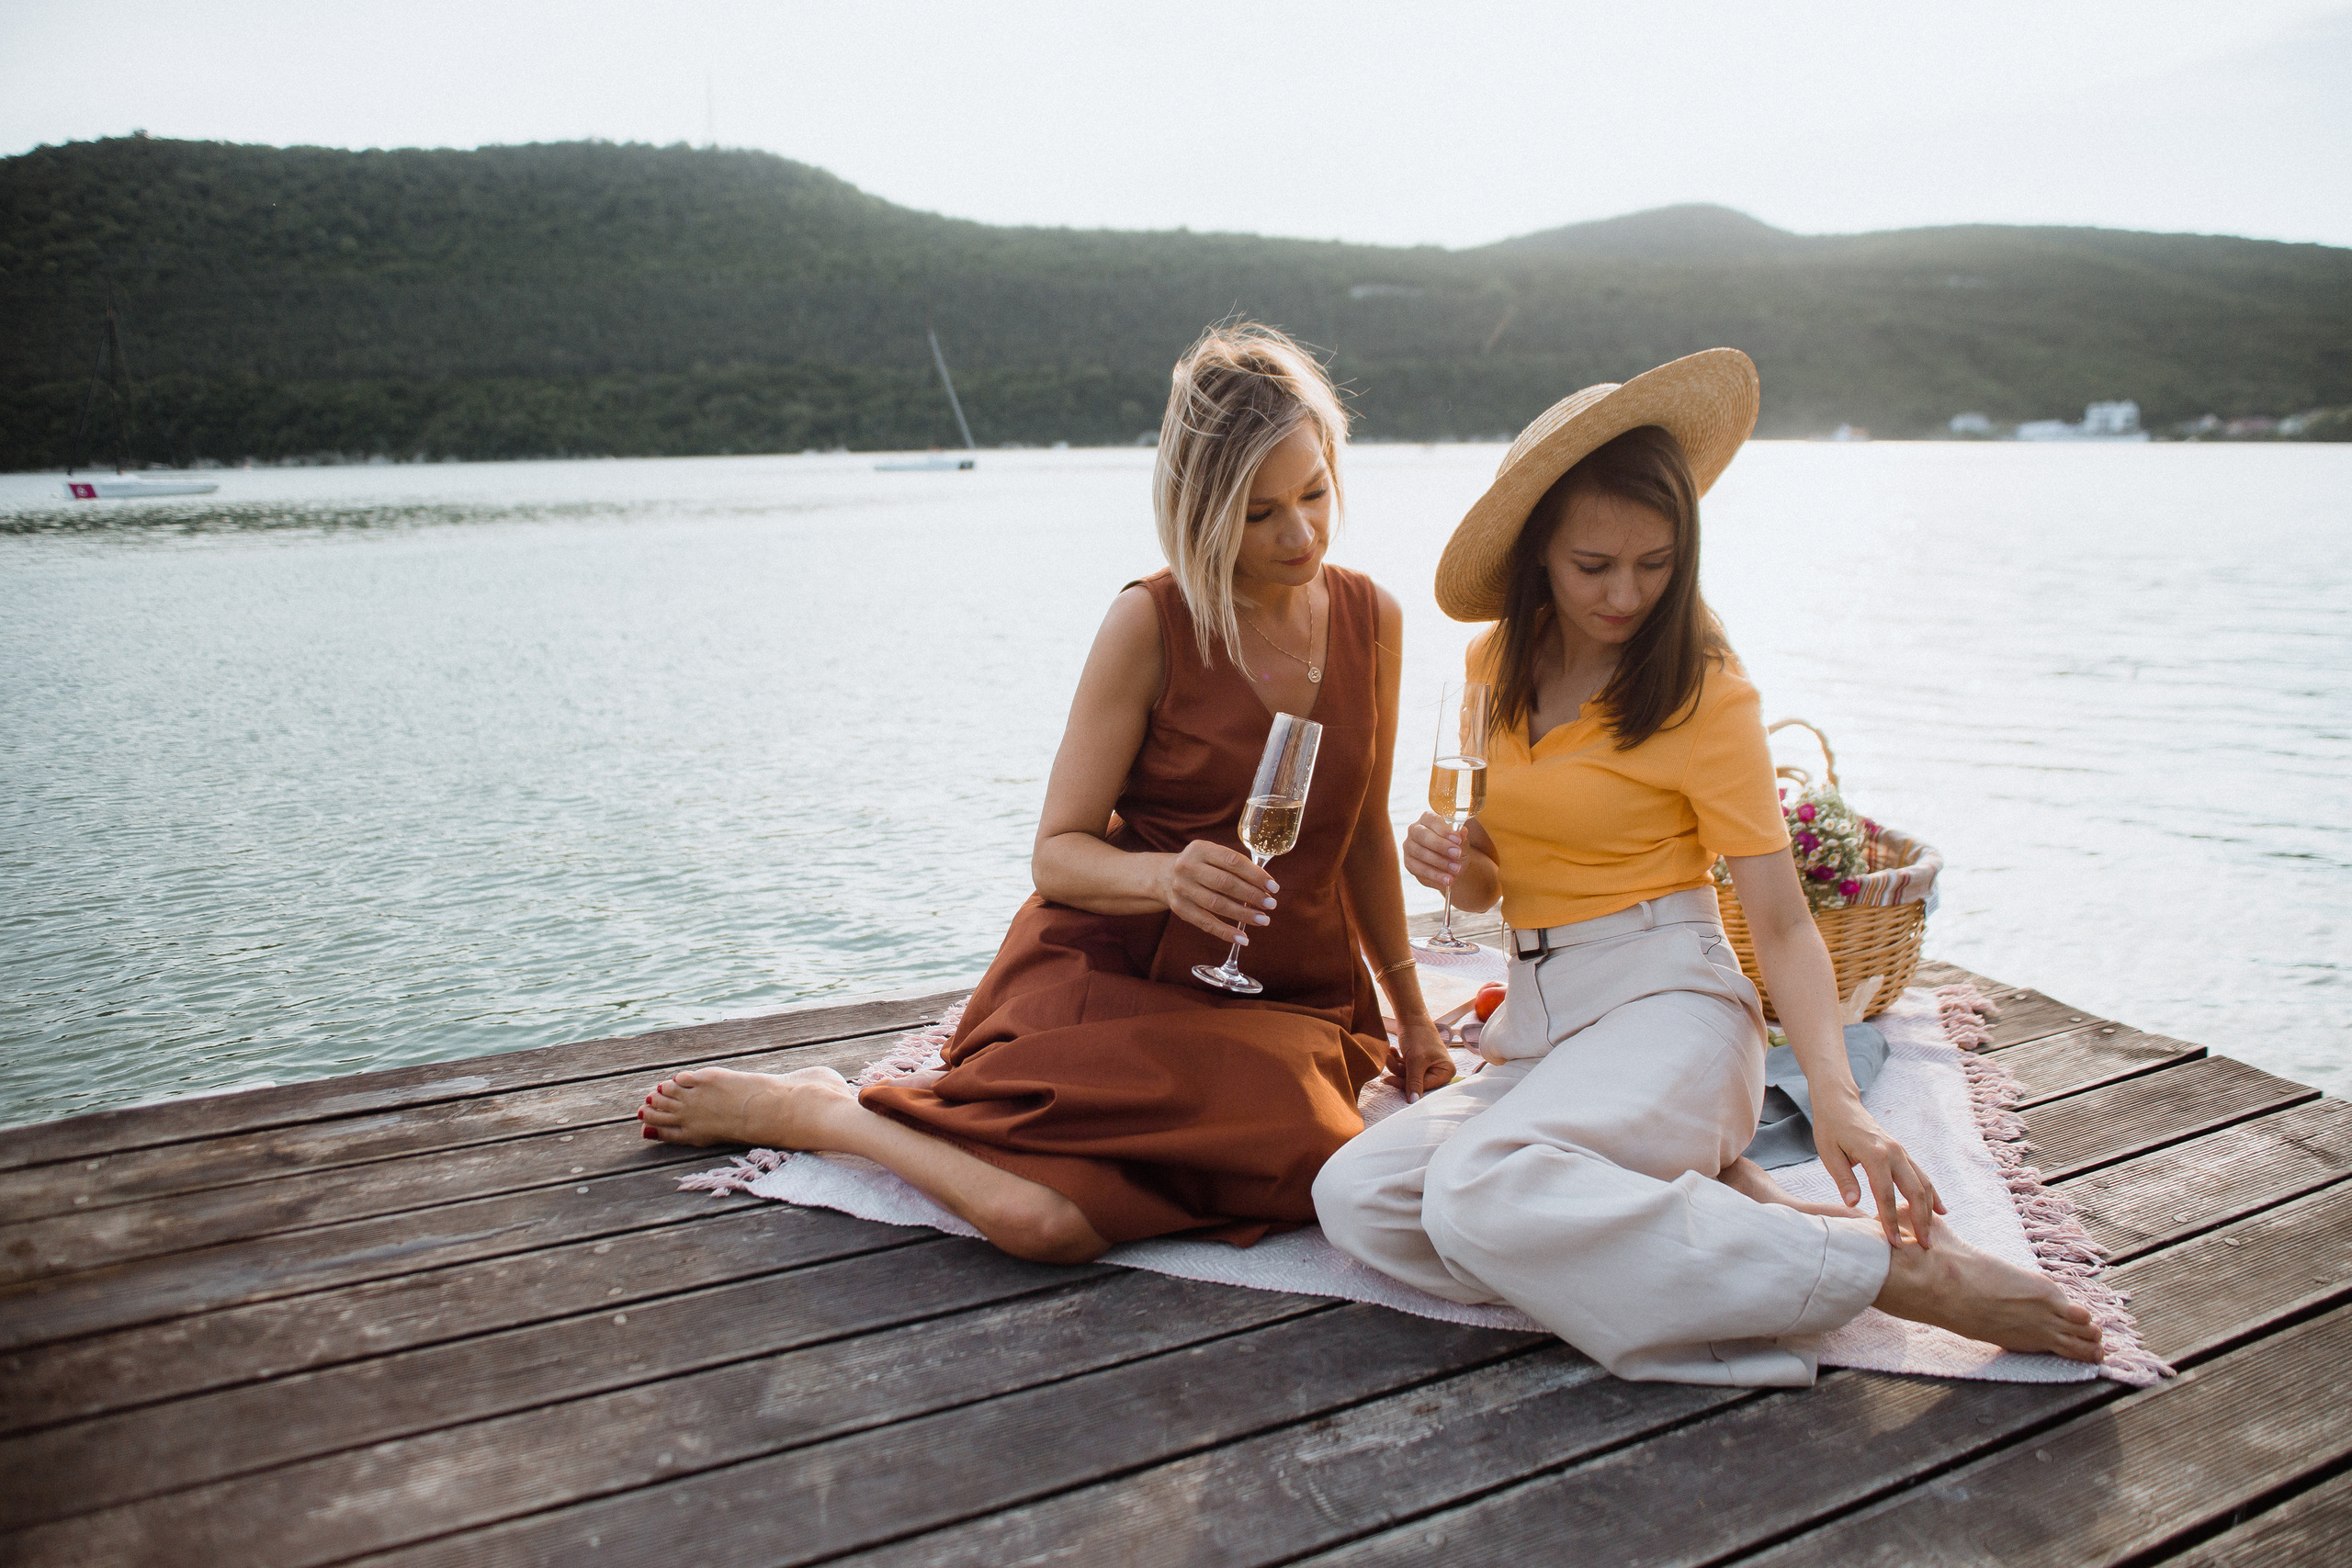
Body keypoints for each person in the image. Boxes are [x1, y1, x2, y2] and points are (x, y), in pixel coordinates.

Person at [1313, 349, 2104, 1384]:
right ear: (1537, 552)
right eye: (1593, 566)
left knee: (1479, 1194)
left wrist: (1836, 1096)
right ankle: (1733, 1212)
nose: (1625, 594)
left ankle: (1886, 1276)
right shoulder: (1489, 665)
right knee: (1360, 1200)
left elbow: (1778, 922)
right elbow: (1489, 885)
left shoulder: (1705, 691)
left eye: (1654, 562)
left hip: (1669, 999)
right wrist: (1450, 862)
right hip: (1541, 1022)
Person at [639, 322, 1456, 1263]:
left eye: (1314, 494)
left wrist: (1417, 1023)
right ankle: (827, 1116)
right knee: (1043, 1223)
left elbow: (1355, 840)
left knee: (1318, 1160)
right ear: (1199, 505)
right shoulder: (1149, 622)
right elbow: (1057, 852)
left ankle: (866, 1121)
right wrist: (1164, 880)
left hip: (1289, 1001)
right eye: (1259, 510)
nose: (1300, 532)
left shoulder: (1372, 620)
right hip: (1111, 971)